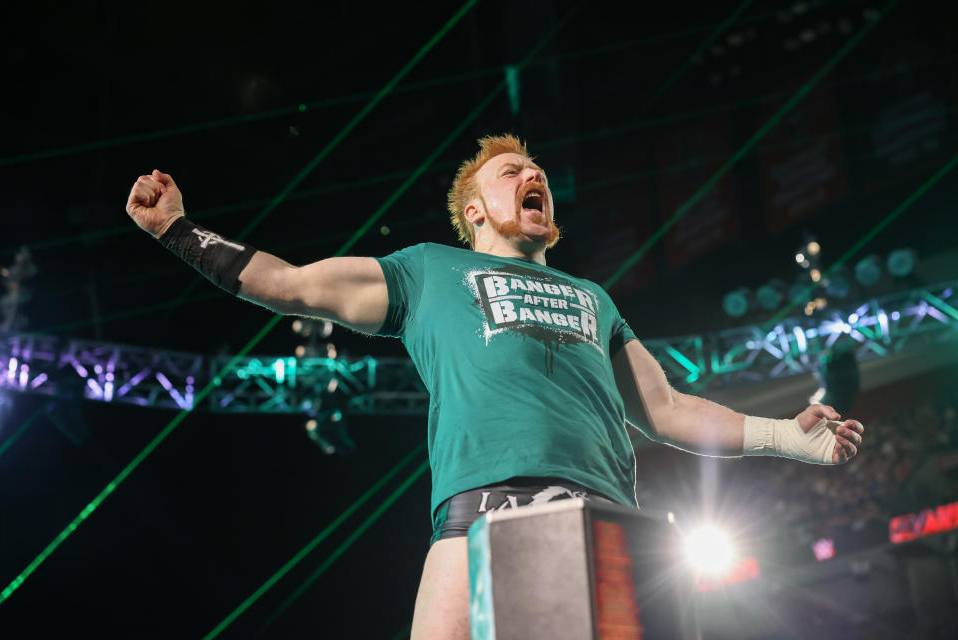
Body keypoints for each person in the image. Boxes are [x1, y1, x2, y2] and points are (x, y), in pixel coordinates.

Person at [126, 134, 865, 640]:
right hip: (482, 514)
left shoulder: (593, 298)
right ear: (473, 209)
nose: (530, 176)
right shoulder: (425, 272)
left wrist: (785, 438)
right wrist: (178, 231)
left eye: (536, 170)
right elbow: (287, 284)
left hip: (602, 515)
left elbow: (667, 410)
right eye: (510, 172)